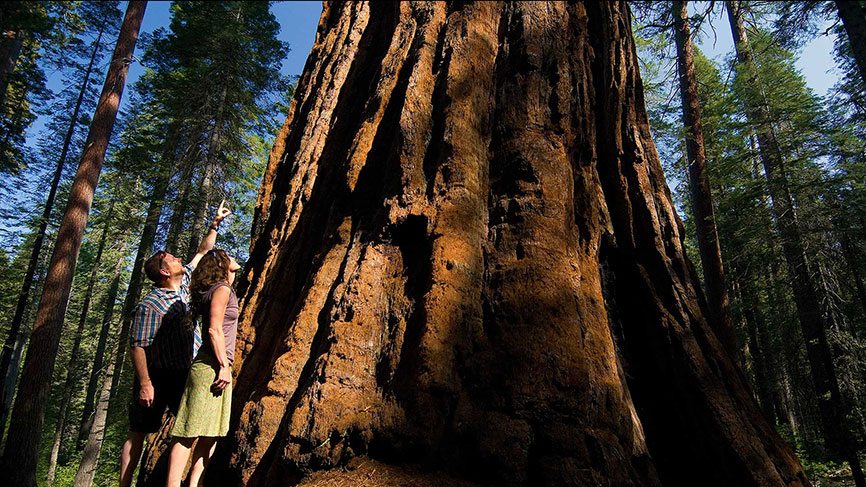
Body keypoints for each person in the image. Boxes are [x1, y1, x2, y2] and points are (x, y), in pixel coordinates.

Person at [119, 202, 231, 487]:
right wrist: (145, 383)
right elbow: (137, 345)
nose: (178, 258)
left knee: (188, 428)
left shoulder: (184, 288)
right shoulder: (150, 303)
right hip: (156, 376)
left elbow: (203, 253)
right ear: (164, 272)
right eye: (171, 258)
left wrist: (215, 223)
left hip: (185, 373)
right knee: (140, 430)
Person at [166, 248, 241, 487]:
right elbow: (214, 329)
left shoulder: (219, 289)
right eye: (228, 255)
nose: (234, 257)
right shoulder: (221, 290)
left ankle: (194, 483)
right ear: (221, 264)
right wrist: (223, 366)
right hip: (211, 366)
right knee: (189, 431)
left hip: (216, 365)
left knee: (211, 432)